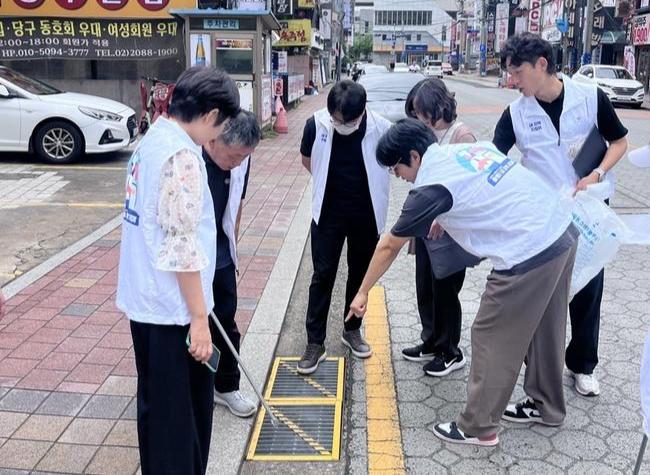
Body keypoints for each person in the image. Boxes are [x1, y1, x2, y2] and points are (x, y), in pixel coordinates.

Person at [348, 118, 578, 446]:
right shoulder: (464, 151)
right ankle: (547, 406)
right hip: (561, 229)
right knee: (545, 327)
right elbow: (477, 190)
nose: (397, 176)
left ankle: (478, 427)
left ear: (414, 156)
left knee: (490, 333)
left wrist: (362, 292)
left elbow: (389, 245)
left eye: (396, 168)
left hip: (528, 249)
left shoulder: (430, 185)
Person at [116, 66, 240, 475]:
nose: (219, 135)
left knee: (158, 412)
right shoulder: (182, 157)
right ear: (211, 115)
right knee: (180, 421)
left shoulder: (153, 138)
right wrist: (200, 320)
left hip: (146, 302)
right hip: (173, 311)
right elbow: (182, 246)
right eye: (221, 125)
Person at [493, 33, 629, 398]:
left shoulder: (590, 97)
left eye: (517, 72)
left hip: (588, 210)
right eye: (509, 74)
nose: (512, 81)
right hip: (545, 218)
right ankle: (539, 370)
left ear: (542, 64)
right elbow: (493, 160)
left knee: (588, 288)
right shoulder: (516, 113)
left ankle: (583, 365)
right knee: (543, 293)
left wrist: (597, 173)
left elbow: (619, 142)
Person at [297, 80, 391, 374]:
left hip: (366, 214)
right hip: (328, 214)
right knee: (322, 275)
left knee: (359, 274)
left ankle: (352, 330)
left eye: (346, 122)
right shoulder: (316, 125)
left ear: (362, 113)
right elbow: (307, 160)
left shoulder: (382, 129)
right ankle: (315, 342)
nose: (339, 125)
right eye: (335, 120)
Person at [401, 78, 480, 377]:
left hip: (450, 231)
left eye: (421, 112)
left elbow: (469, 187)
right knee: (425, 285)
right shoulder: (426, 135)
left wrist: (443, 217)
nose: (418, 118)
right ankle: (431, 340)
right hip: (427, 227)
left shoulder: (462, 136)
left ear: (437, 107)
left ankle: (450, 350)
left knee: (446, 289)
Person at [203, 110, 261, 418]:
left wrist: (231, 247)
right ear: (214, 140)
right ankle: (194, 384)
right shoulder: (190, 157)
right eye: (234, 156)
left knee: (225, 320)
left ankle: (225, 386)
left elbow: (236, 203)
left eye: (244, 157)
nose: (238, 163)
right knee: (190, 325)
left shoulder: (241, 159)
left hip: (221, 249)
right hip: (189, 253)